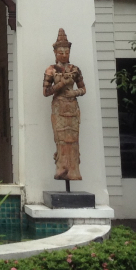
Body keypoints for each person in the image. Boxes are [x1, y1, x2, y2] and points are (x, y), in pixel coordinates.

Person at [42, 28, 86, 182]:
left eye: (66, 52)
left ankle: (74, 171)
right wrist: (60, 84)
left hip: (72, 107)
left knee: (73, 139)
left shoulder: (75, 69)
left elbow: (83, 89)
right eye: (60, 52)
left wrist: (74, 93)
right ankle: (62, 169)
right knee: (61, 139)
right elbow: (46, 92)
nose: (64, 55)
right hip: (59, 107)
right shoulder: (51, 70)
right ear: (55, 53)